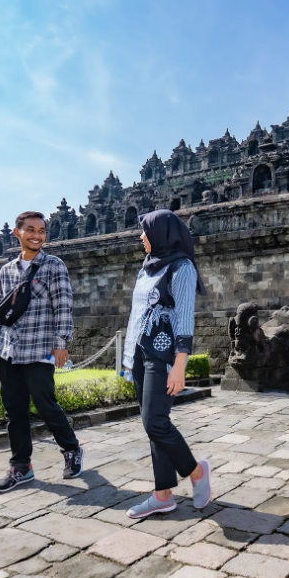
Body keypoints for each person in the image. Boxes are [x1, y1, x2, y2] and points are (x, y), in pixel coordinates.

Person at [0, 211, 83, 493]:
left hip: (40, 348)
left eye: (41, 231)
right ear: (18, 233)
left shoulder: (54, 266)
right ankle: (21, 466)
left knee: (46, 403)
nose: (37, 235)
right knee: (14, 410)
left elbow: (64, 306)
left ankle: (71, 448)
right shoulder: (7, 270)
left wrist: (61, 343)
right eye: (31, 230)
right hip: (9, 350)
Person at [123, 209, 212, 518]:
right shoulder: (147, 268)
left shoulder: (182, 267)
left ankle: (196, 472)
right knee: (153, 427)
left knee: (155, 422)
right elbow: (136, 314)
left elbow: (185, 316)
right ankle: (162, 494)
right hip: (138, 353)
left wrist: (180, 364)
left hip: (163, 354)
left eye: (144, 231)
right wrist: (126, 359)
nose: (140, 237)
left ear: (160, 232)